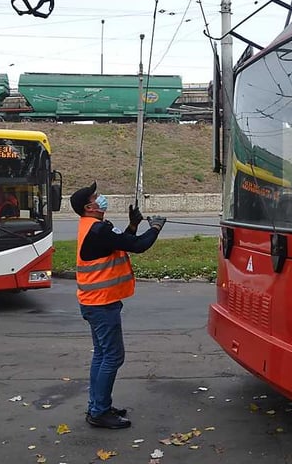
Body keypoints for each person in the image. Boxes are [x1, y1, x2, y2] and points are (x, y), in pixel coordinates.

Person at [69, 181, 167, 429]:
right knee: (113, 356)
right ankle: (99, 412)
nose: (101, 198)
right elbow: (138, 246)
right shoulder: (98, 230)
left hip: (95, 303)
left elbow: (121, 242)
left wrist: (133, 225)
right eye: (96, 196)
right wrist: (155, 227)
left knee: (102, 355)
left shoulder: (93, 227)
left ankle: (97, 406)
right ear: (89, 206)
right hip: (101, 305)